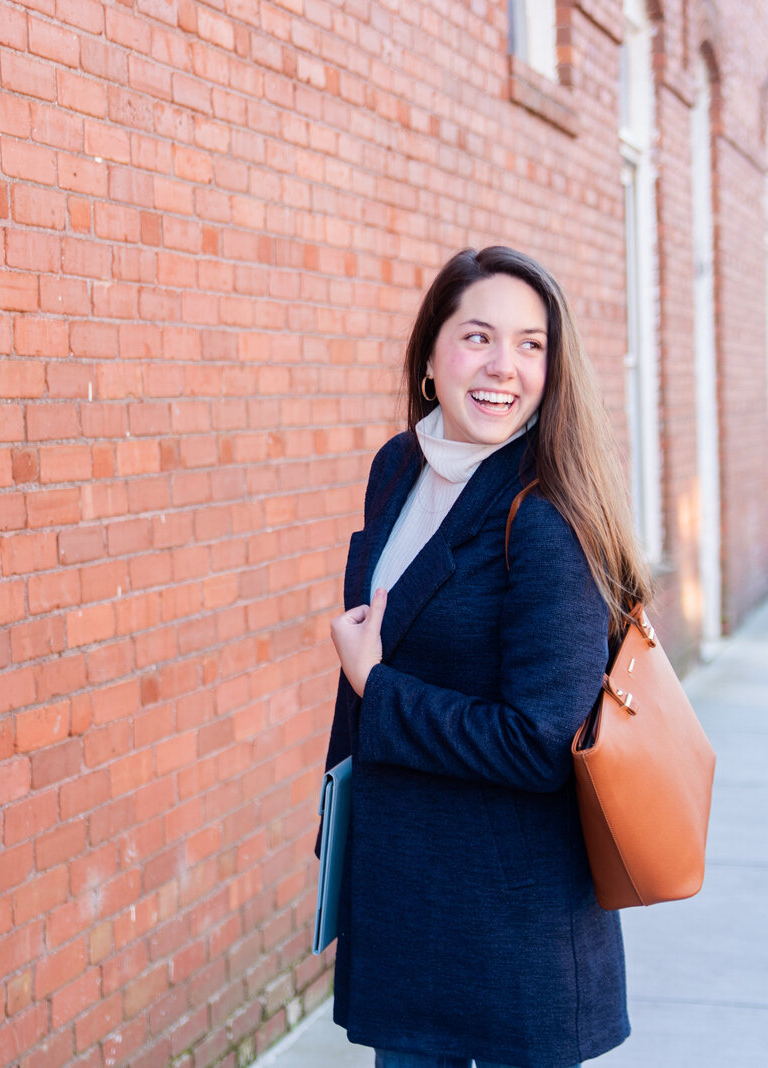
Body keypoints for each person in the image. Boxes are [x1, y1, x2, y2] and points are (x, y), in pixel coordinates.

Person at [318, 246, 652, 1068]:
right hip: (406, 895)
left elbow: (541, 742)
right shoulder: (398, 468)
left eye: (532, 344)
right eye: (478, 337)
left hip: (511, 925)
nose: (505, 365)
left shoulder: (545, 519)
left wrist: (378, 688)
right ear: (432, 353)